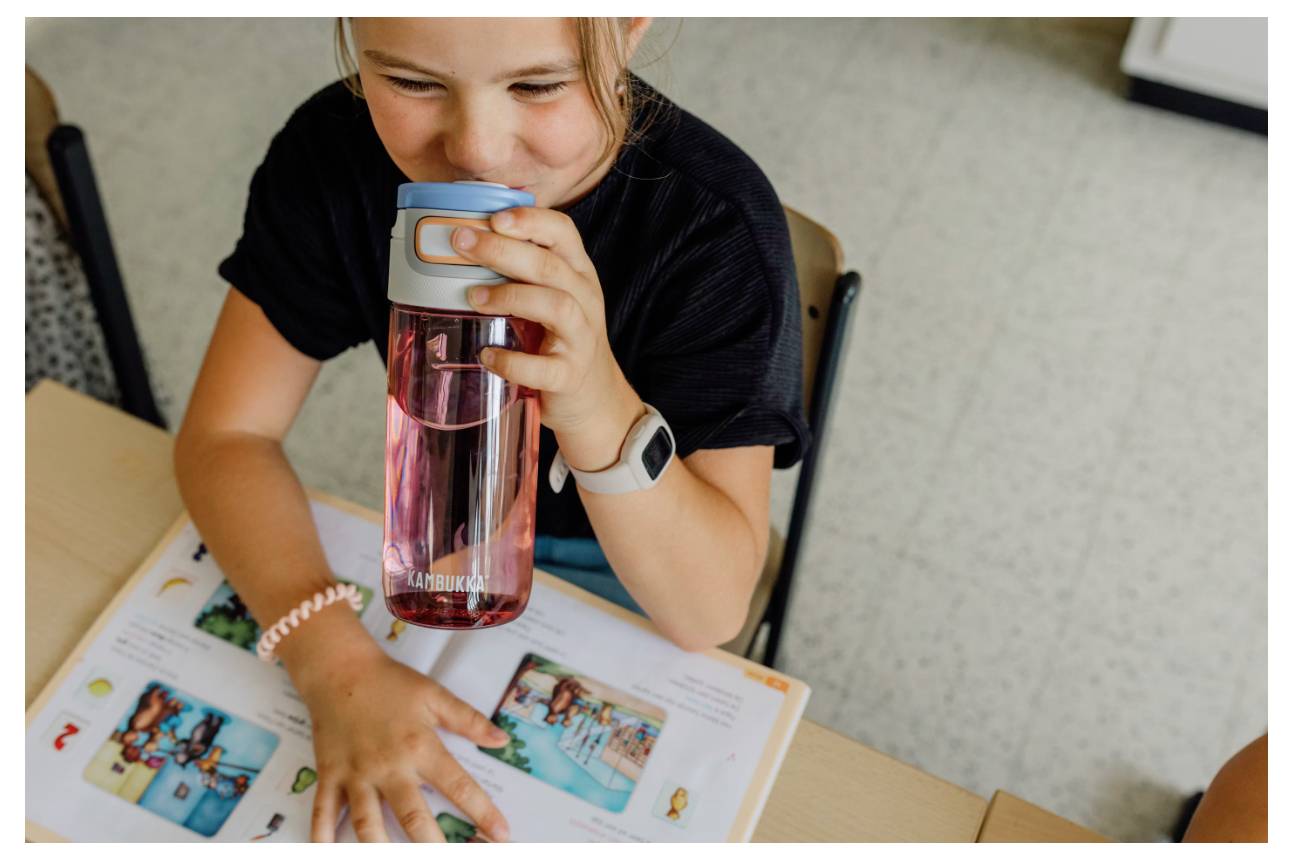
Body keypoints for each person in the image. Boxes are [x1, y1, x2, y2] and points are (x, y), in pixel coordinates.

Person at [175, 17, 807, 843]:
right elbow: (226, 437)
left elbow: (709, 608)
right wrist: (333, 663)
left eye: (538, 86)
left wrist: (591, 397)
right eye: (411, 82)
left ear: (628, 27)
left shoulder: (712, 230)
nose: (475, 149)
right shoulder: (331, 156)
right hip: (439, 545)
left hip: (631, 576)